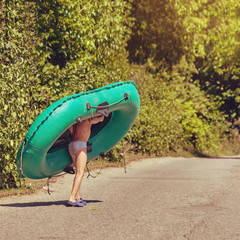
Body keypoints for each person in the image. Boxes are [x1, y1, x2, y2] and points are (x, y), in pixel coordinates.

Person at [67, 114, 104, 207]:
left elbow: (70, 131)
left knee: (78, 173)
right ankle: (71, 198)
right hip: (80, 145)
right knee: (80, 172)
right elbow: (101, 119)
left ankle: (77, 197)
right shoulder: (88, 121)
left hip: (71, 145)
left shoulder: (74, 123)